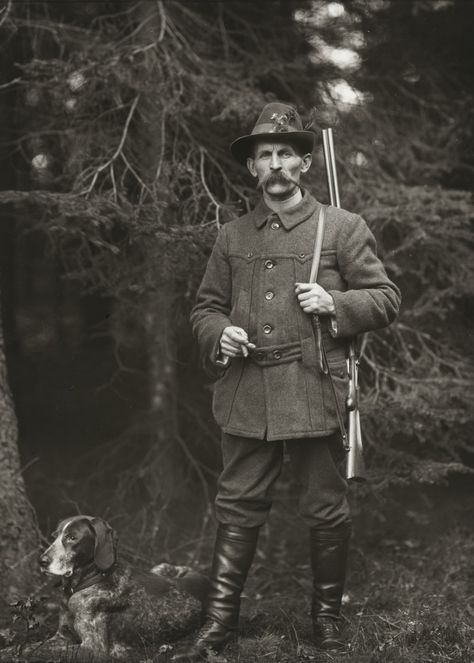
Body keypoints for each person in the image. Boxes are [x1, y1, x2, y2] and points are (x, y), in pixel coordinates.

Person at [173, 102, 401, 660]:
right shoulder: (232, 236)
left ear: (304, 162)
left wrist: (335, 302)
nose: (274, 164)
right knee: (237, 505)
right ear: (253, 168)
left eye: (284, 154)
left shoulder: (342, 227)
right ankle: (217, 626)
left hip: (313, 386)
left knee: (326, 508)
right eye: (263, 155)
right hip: (247, 391)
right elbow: (205, 308)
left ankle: (327, 625)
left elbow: (386, 298)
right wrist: (220, 332)